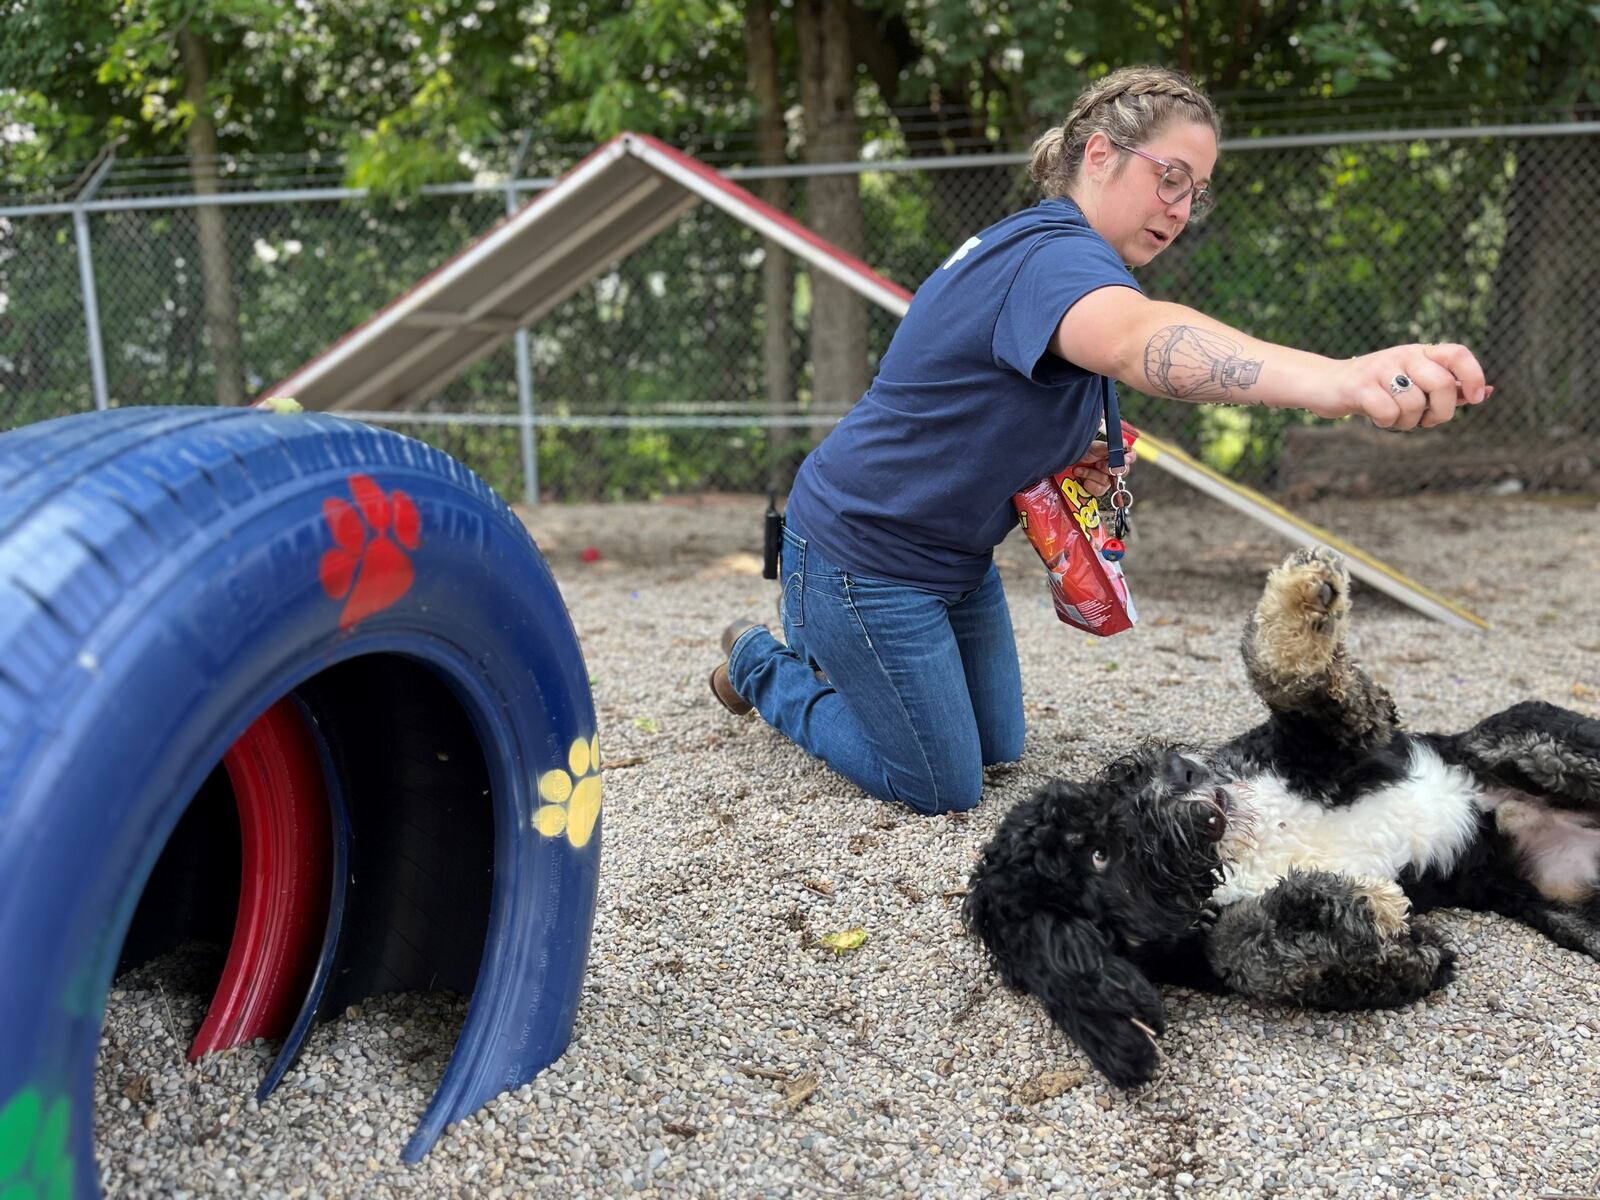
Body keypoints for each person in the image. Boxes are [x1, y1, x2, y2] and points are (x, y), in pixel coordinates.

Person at [707, 65, 1490, 816]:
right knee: (942, 785)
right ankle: (763, 664)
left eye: (1197, 192)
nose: (1182, 206)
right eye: (1171, 176)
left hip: (950, 565)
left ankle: (841, 657)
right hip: (862, 559)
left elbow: (1019, 392)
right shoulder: (1053, 258)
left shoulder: (1067, 259)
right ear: (1100, 154)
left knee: (998, 747)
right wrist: (1342, 380)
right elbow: (1140, 342)